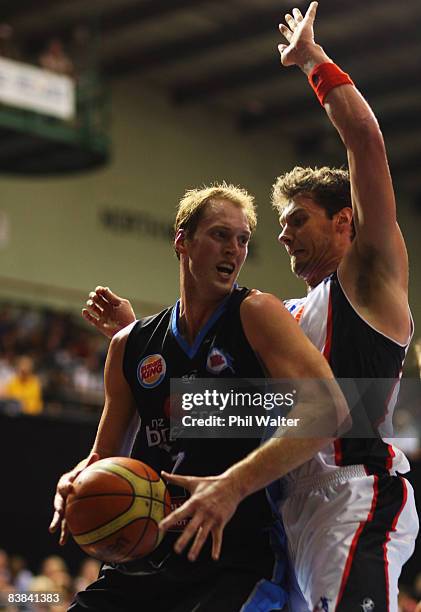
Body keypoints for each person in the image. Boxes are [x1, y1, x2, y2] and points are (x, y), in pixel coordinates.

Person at [81, 4, 419, 610]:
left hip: (352, 493)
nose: (281, 237)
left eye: (297, 221)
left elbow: (366, 141)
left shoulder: (370, 279)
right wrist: (134, 337)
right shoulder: (281, 314)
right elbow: (215, 395)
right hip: (278, 502)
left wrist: (312, 61)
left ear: (345, 223)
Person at [51, 182, 347, 611]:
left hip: (235, 559)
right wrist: (75, 482)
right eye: (220, 234)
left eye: (243, 239)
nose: (234, 249)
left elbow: (331, 408)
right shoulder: (129, 345)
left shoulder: (257, 313)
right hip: (146, 559)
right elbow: (102, 455)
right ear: (183, 242)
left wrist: (232, 485)